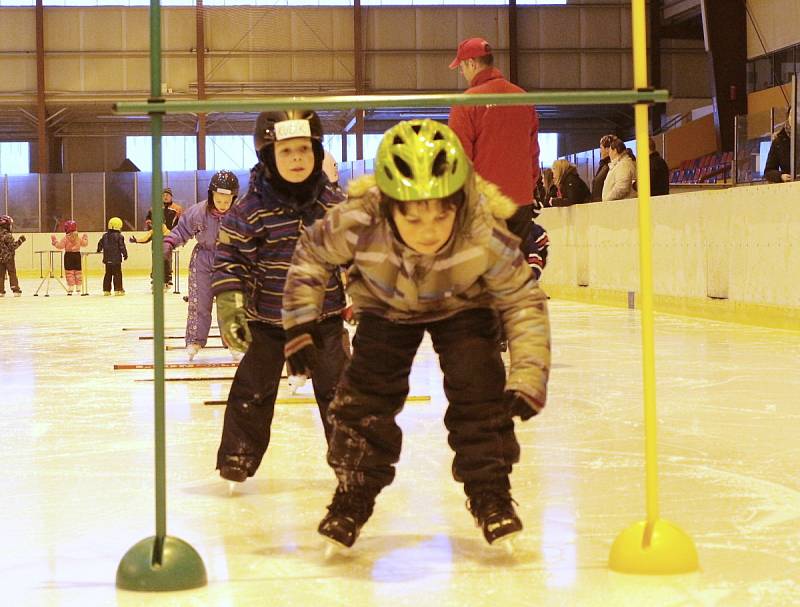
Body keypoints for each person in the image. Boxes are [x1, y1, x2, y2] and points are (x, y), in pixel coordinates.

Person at [282, 119, 551, 549]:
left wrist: (528, 375)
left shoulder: (482, 227)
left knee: (480, 390)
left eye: (441, 215)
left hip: (464, 305)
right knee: (364, 397)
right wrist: (299, 324)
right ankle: (353, 493)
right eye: (413, 216)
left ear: (458, 204)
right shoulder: (360, 217)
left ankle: (491, 494)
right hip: (387, 307)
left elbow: (522, 300)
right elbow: (312, 254)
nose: (429, 230)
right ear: (389, 206)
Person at [211, 109, 349, 484]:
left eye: (304, 149)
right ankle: (239, 453)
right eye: (286, 151)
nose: (297, 159)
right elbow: (230, 260)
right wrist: (230, 306)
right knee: (252, 390)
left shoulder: (334, 206)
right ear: (268, 156)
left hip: (325, 320)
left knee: (340, 391)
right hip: (267, 321)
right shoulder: (249, 210)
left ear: (318, 153)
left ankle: (349, 455)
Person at [447, 37, 540, 243]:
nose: (462, 73)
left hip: (484, 205)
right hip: (520, 203)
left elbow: (460, 161)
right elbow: (533, 154)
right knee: (516, 269)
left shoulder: (465, 103)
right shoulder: (523, 98)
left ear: (471, 63)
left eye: (461, 67)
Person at [164, 170, 239, 361]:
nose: (222, 206)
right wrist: (169, 243)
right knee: (199, 302)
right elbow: (181, 230)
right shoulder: (198, 213)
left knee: (230, 303)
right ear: (211, 196)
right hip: (203, 259)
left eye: (226, 201)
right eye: (218, 200)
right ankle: (195, 340)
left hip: (229, 260)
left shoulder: (240, 215)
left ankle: (234, 342)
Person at [51, 220, 88, 295]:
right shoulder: (78, 238)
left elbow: (60, 246)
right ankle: (78, 287)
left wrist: (54, 241)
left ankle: (71, 287)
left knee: (69, 272)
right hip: (77, 255)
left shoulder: (65, 238)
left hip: (68, 256)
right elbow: (84, 244)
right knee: (78, 271)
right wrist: (85, 238)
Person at [97, 217, 128, 296]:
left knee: (108, 274)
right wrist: (125, 254)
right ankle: (118, 289)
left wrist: (99, 249)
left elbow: (100, 243)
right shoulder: (119, 236)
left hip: (107, 259)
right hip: (116, 259)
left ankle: (106, 290)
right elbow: (121, 246)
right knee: (117, 274)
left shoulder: (105, 236)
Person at [0, 215, 25, 297]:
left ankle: (0, 291)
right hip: (9, 258)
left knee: (0, 275)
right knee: (12, 273)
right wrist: (20, 241)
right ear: (6, 225)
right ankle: (15, 289)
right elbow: (13, 246)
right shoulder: (7, 235)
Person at [764, 116, 794, 183]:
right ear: (788, 117)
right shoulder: (778, 142)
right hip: (790, 187)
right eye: (791, 114)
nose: (794, 117)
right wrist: (780, 176)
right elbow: (768, 171)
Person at [591, 135, 616, 202]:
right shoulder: (603, 165)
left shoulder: (610, 166)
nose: (600, 151)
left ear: (608, 149)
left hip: (604, 203)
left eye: (601, 148)